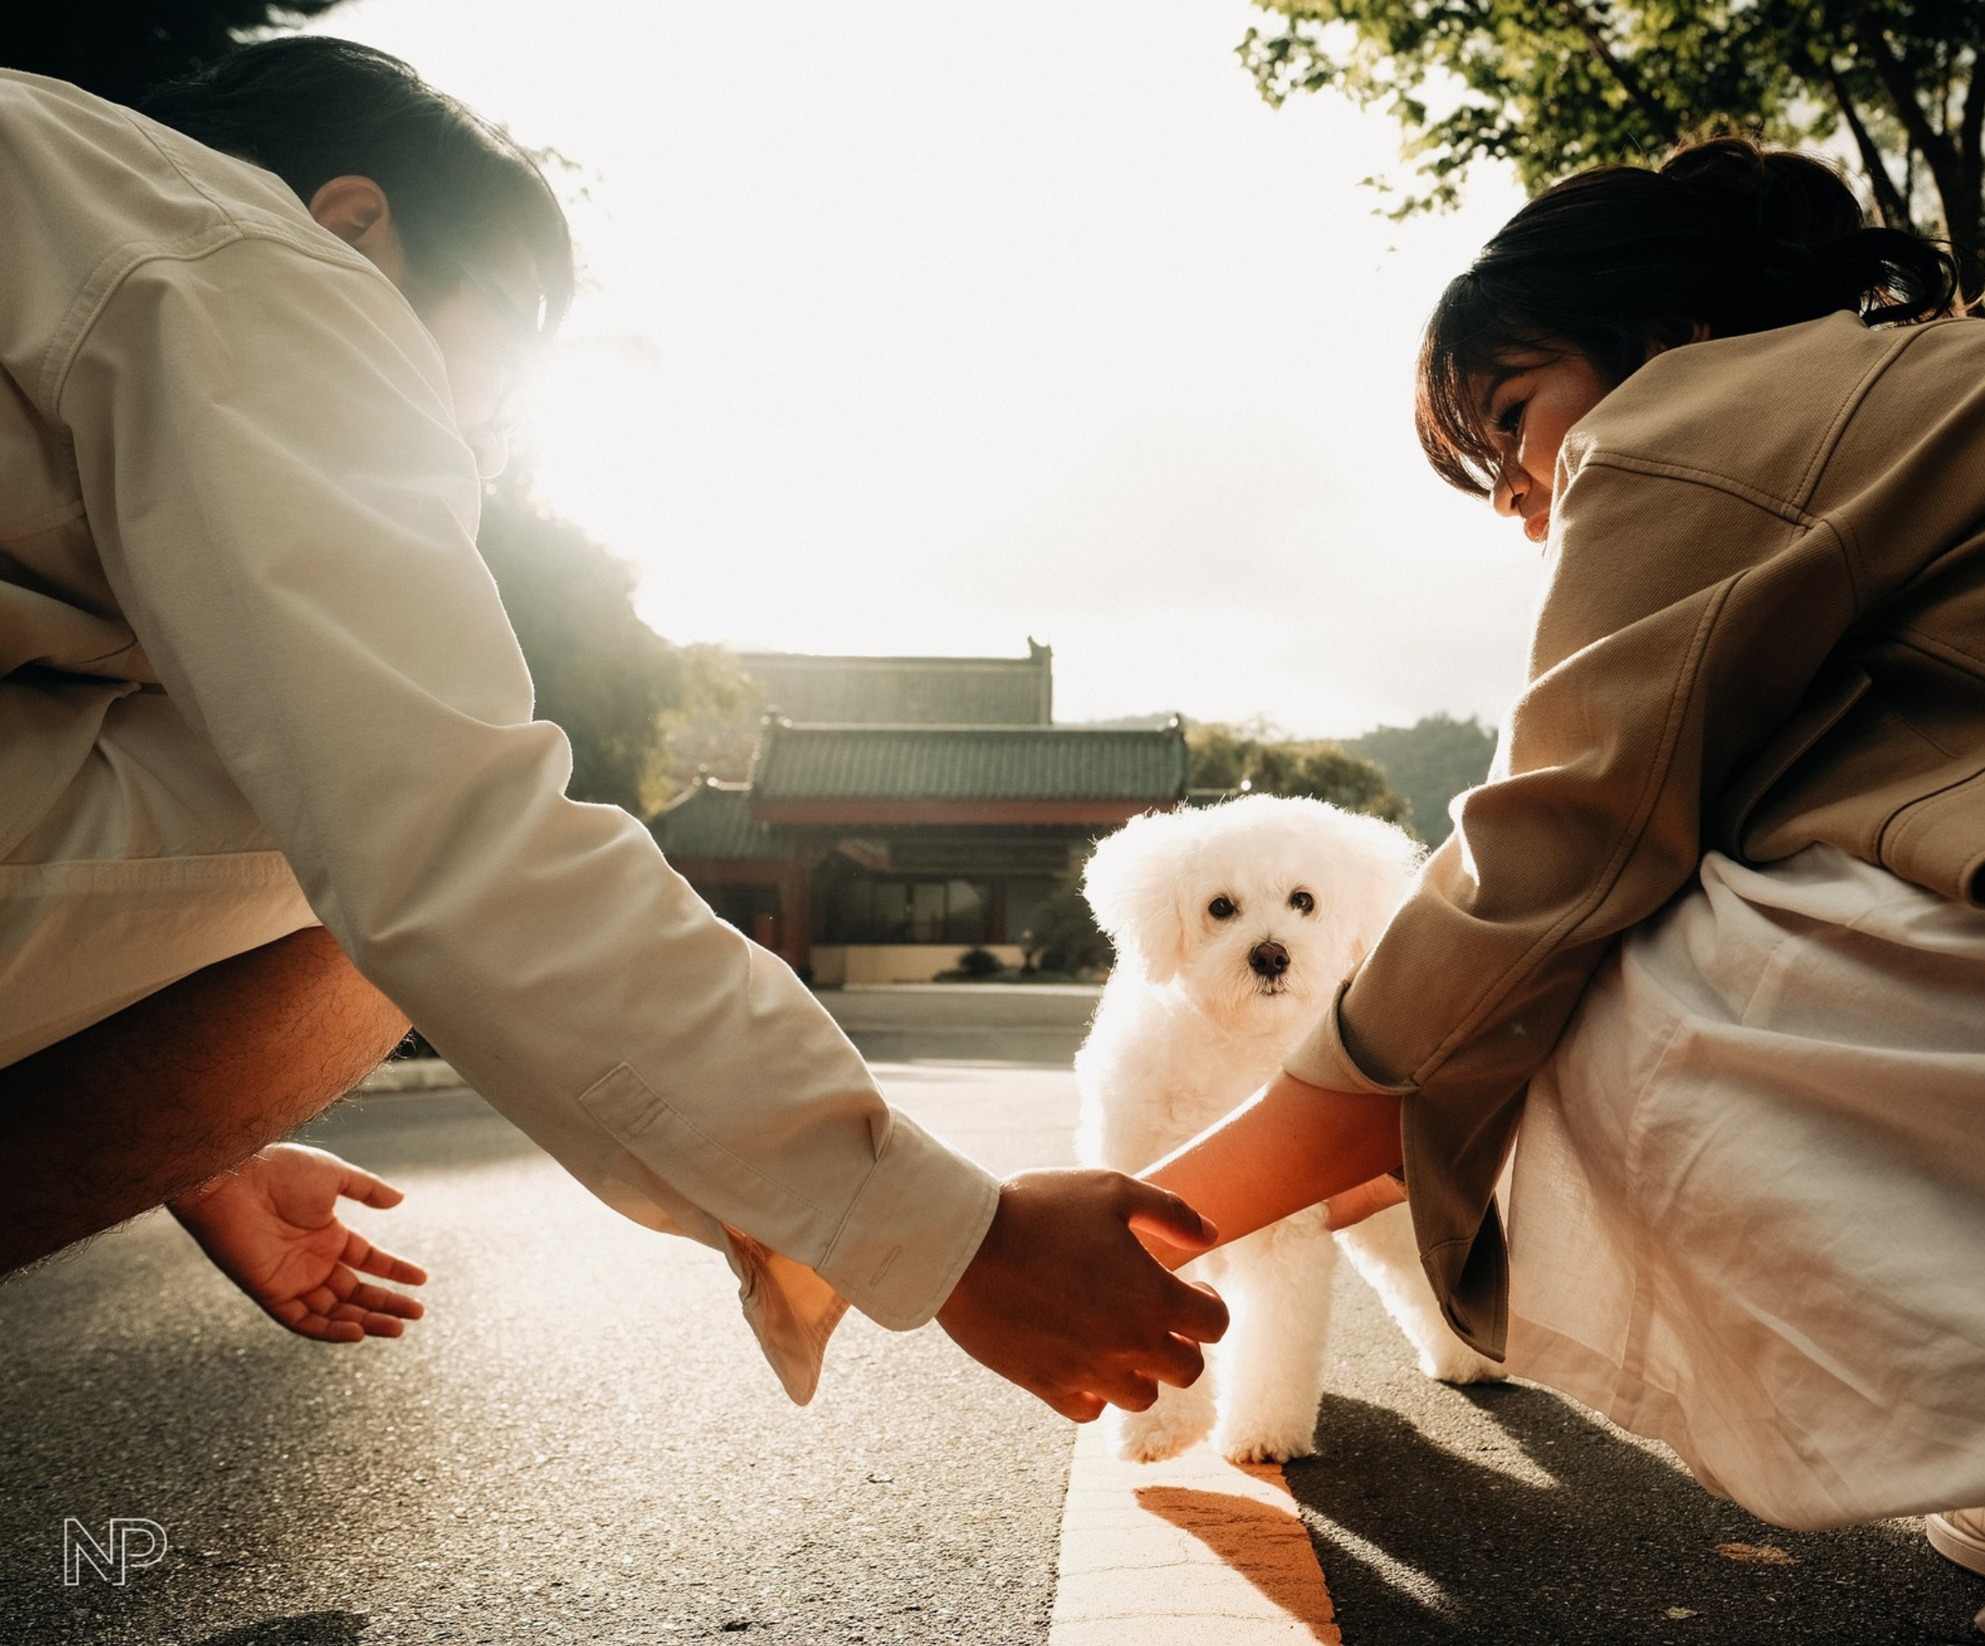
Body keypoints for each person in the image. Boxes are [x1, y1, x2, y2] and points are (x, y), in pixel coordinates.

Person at [0, 38, 1226, 1421]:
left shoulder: (75, 198)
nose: (487, 435)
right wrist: (958, 1237)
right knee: (339, 863)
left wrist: (192, 1143)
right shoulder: (263, 259)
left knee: (286, 754)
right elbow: (448, 825)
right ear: (354, 222)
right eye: (503, 348)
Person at [1129, 137, 1985, 1646]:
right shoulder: (1936, 392)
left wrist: (1160, 1217)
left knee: (1617, 984)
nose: (1522, 497)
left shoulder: (1698, 415)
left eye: (1509, 420)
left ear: (1670, 328)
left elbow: (1537, 875)